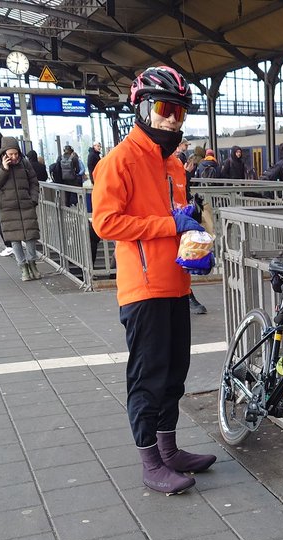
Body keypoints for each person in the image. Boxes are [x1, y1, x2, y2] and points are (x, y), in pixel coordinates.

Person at [92, 65, 217, 495]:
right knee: (148, 377)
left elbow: (178, 222)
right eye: (165, 109)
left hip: (175, 283)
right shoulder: (118, 161)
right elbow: (106, 223)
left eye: (180, 113)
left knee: (175, 373)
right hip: (142, 288)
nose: (172, 119)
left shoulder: (173, 166)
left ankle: (169, 451)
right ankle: (150, 460)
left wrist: (196, 243)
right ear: (143, 107)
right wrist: (170, 224)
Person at [0, 137, 43, 282]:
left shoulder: (25, 163)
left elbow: (34, 182)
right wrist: (4, 169)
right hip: (7, 208)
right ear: (4, 153)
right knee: (15, 239)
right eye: (10, 154)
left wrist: (33, 199)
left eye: (16, 154)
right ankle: (23, 267)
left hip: (26, 205)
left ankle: (33, 264)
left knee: (31, 236)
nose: (14, 157)